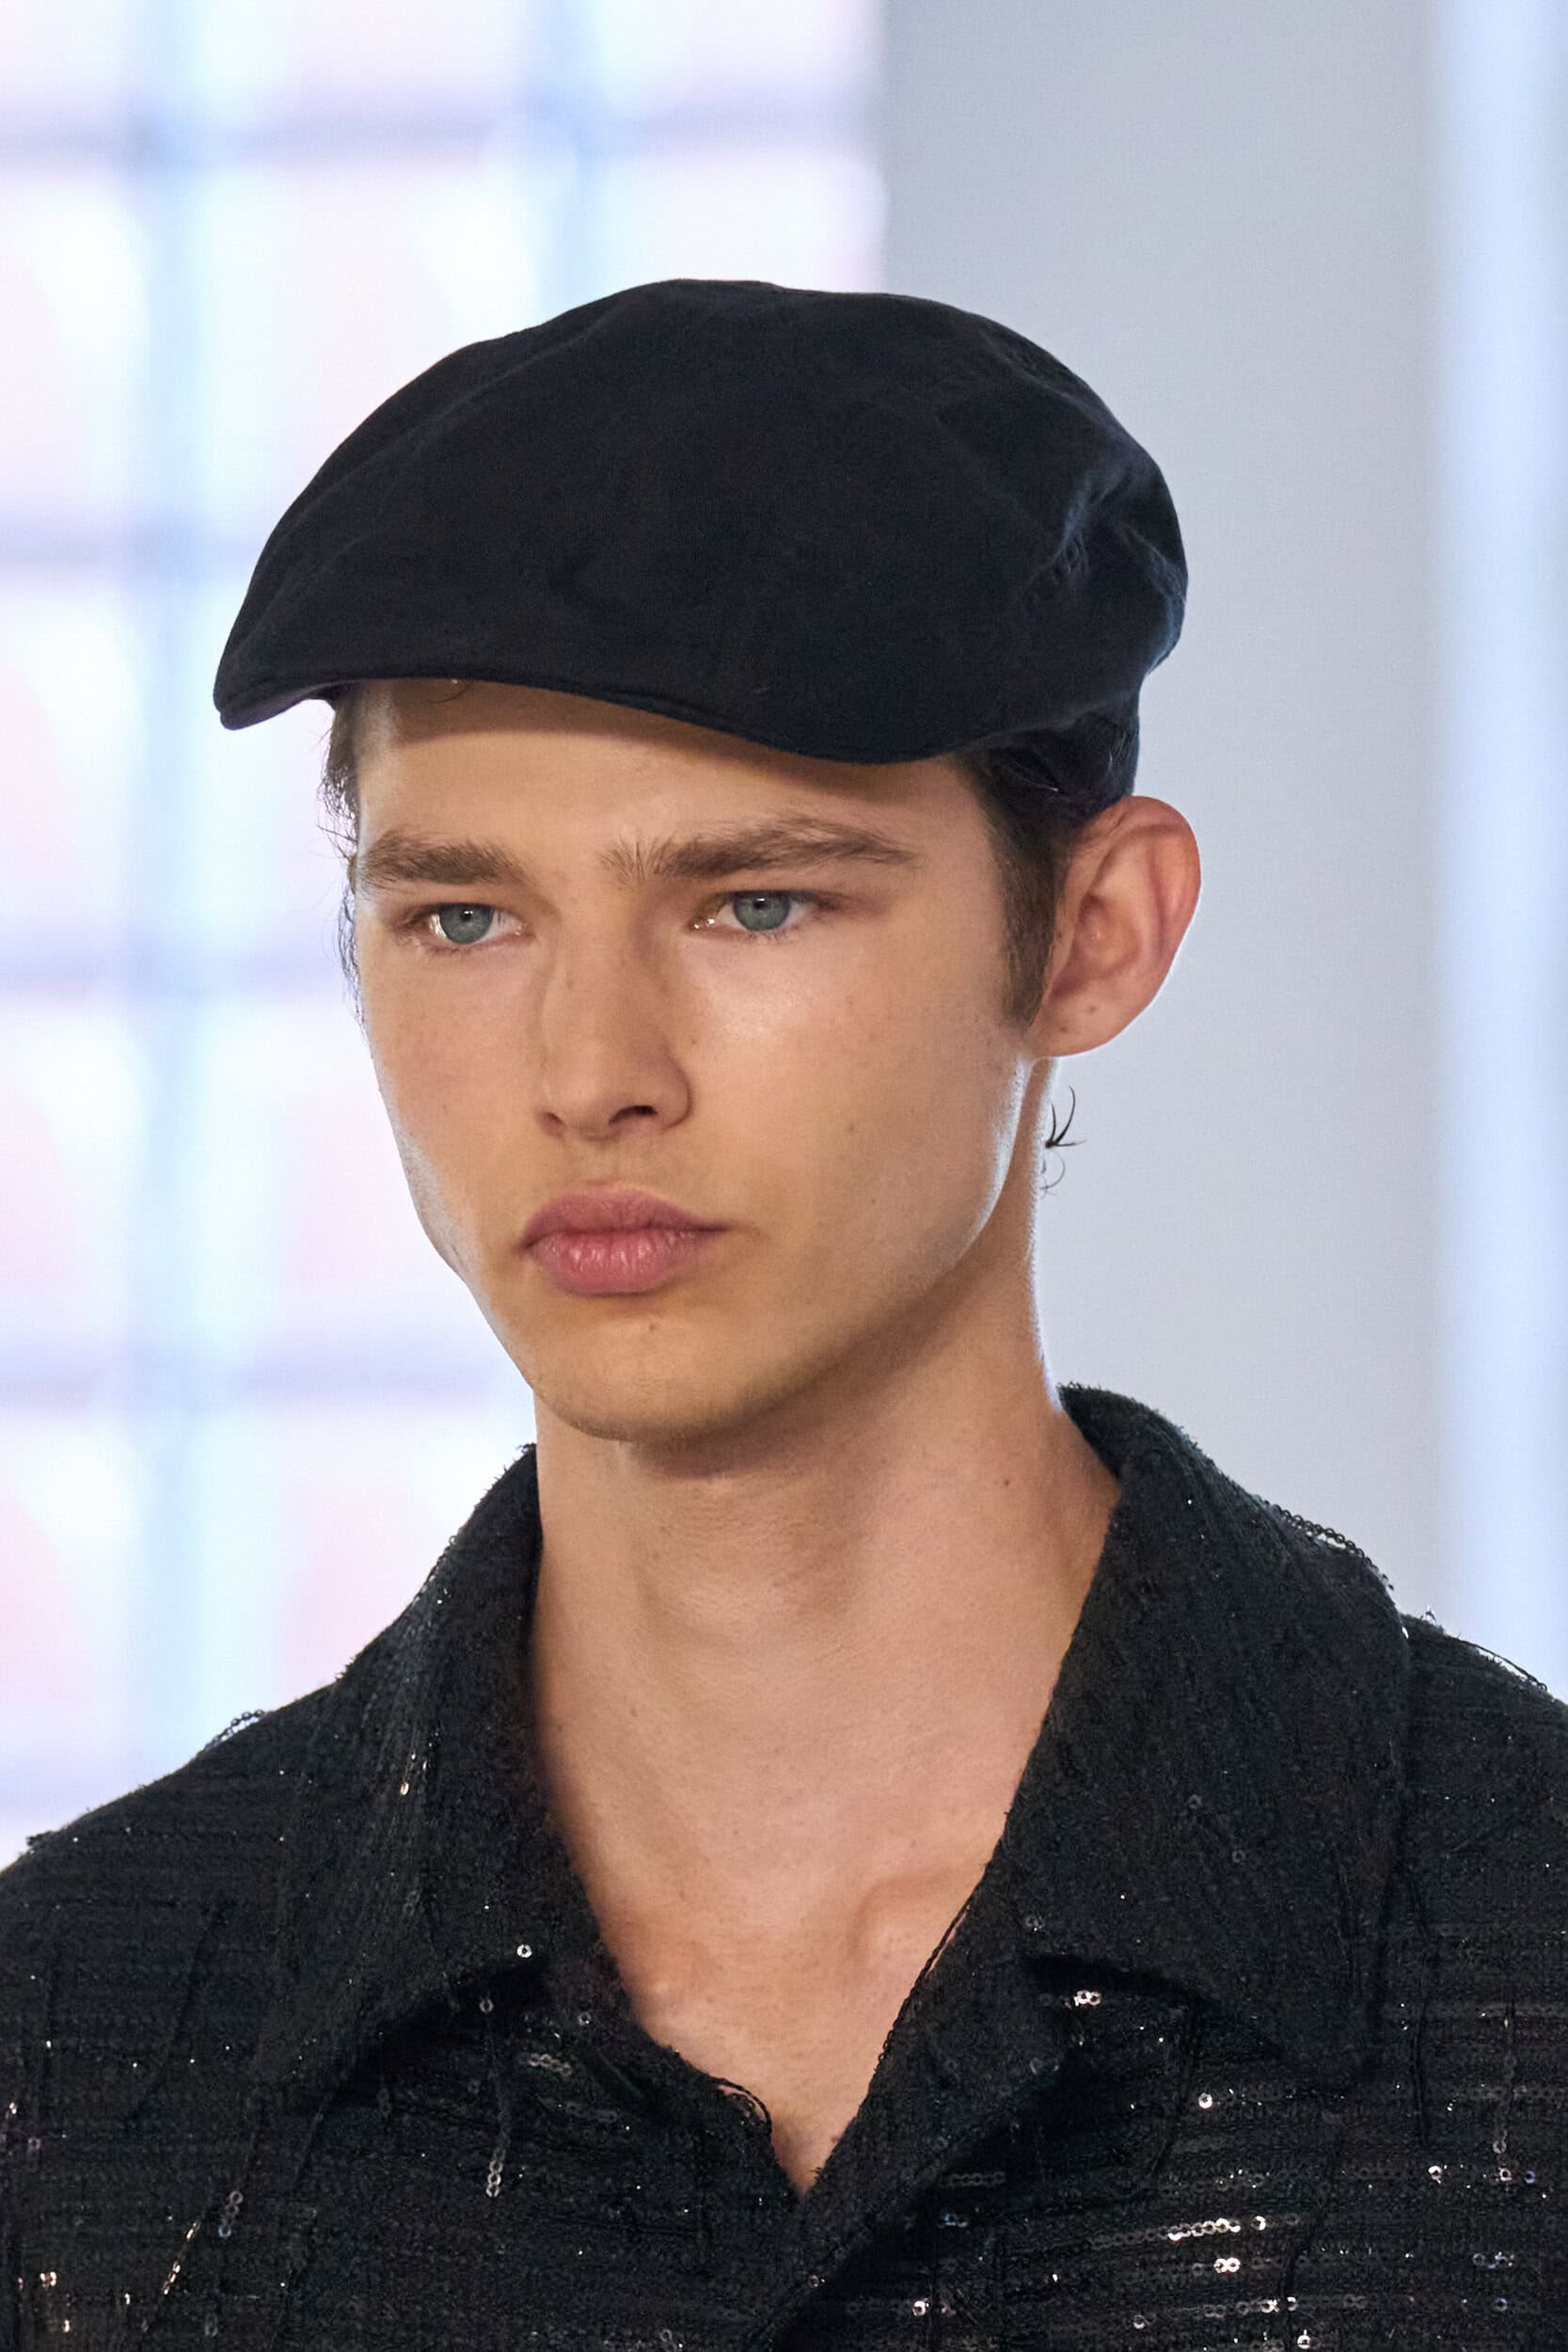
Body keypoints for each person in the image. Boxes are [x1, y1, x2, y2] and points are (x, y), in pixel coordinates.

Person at [3, 278, 1565, 2349]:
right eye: (464, 915)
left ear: (1096, 934)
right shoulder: (79, 2049)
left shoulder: (1514, 1960)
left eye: (754, 902)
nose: (592, 1070)